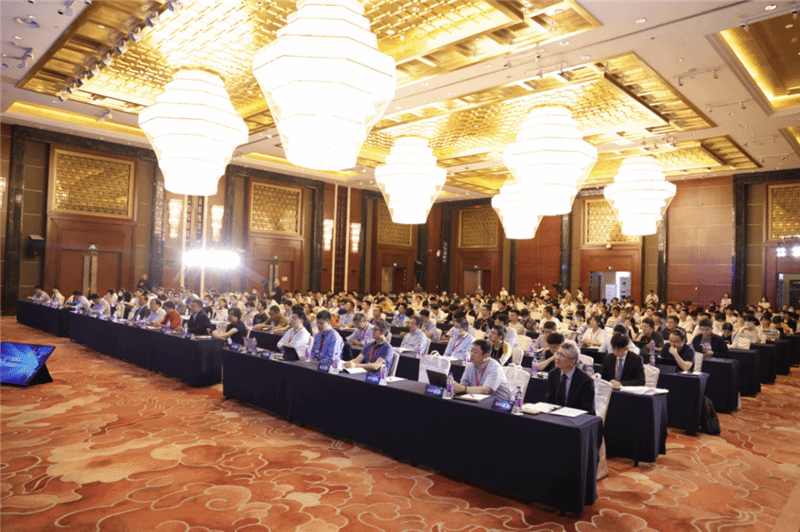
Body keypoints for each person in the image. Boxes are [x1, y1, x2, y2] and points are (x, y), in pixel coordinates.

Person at [546, 340, 595, 414]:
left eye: (561, 356)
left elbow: (586, 410)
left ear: (572, 362)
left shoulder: (586, 381)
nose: (557, 358)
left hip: (575, 417)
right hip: (555, 416)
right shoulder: (553, 374)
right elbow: (549, 401)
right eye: (557, 354)